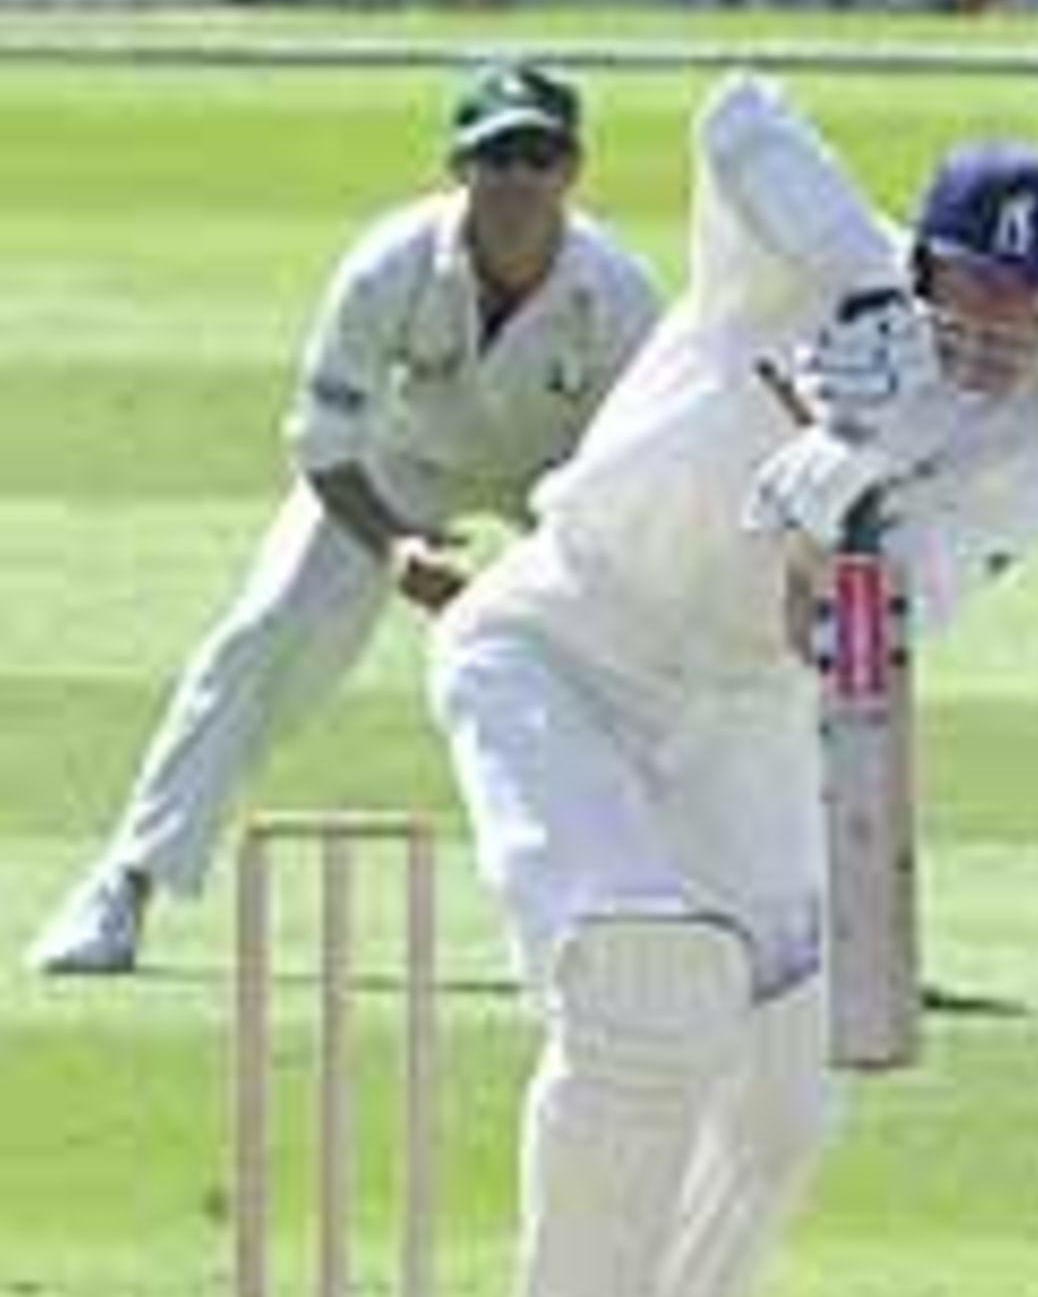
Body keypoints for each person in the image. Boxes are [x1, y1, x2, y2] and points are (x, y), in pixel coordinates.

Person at [428, 75, 1038, 1297]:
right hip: (556, 644)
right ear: (927, 256)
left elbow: (850, 643)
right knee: (642, 993)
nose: (1011, 324)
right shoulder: (807, 260)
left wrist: (840, 491)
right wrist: (856, 293)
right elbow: (739, 115)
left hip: (741, 702)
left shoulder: (1015, 460)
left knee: (788, 1081)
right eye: (986, 282)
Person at [30, 59, 660, 975]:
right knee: (262, 633)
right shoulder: (389, 264)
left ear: (572, 169)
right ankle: (125, 885)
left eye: (537, 156)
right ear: (459, 167)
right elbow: (325, 441)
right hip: (394, 469)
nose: (517, 181)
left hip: (556, 477)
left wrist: (561, 564)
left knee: (651, 647)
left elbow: (633, 467)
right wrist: (395, 548)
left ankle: (688, 910)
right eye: (496, 158)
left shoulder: (621, 295)